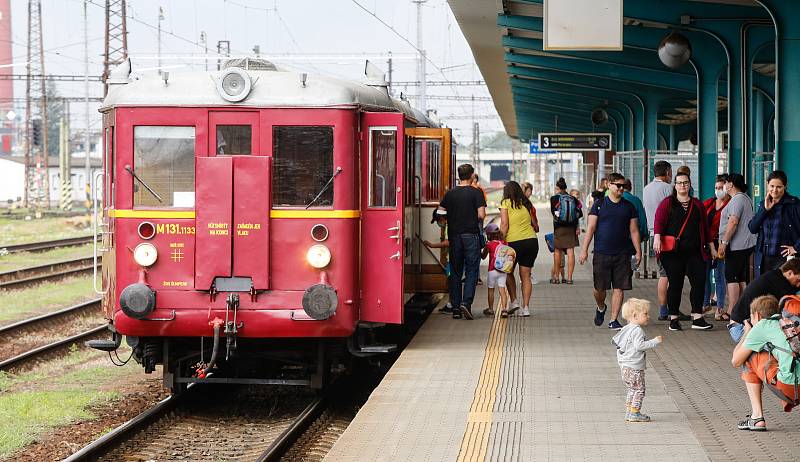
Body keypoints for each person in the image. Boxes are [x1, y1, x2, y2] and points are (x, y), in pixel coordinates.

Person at [579, 172, 642, 330]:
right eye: (618, 185)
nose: (621, 189)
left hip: (623, 254)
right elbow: (591, 228)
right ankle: (601, 307)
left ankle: (613, 319)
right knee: (599, 289)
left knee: (619, 287)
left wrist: (638, 251)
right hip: (601, 253)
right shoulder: (599, 204)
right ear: (609, 185)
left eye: (623, 186)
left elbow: (634, 231)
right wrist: (584, 250)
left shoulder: (629, 207)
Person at [653, 172, 713, 331]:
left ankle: (697, 317)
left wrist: (711, 246)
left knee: (699, 283)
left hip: (695, 252)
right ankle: (673, 318)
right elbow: (658, 221)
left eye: (685, 183)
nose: (682, 186)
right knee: (675, 284)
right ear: (674, 185)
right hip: (673, 253)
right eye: (679, 183)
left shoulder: (697, 204)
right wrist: (657, 238)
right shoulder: (667, 203)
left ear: (690, 184)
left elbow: (705, 228)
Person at [731, 295, 800, 430]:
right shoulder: (788, 322)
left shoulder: (761, 326)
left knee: (749, 357)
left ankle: (757, 418)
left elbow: (736, 361)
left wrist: (747, 333)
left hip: (791, 387)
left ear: (756, 315)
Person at [439, 163, 486, 320]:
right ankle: (466, 303)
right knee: (472, 270)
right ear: (472, 175)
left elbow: (441, 212)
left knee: (456, 272)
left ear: (459, 176)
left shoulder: (450, 193)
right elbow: (482, 215)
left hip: (454, 237)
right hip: (471, 236)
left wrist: (450, 219)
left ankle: (456, 308)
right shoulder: (476, 193)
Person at [612, 298, 663, 422]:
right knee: (640, 389)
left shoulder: (627, 328)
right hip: (634, 367)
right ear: (635, 316)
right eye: (645, 314)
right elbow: (639, 346)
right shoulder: (637, 330)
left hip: (625, 367)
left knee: (632, 389)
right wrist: (654, 341)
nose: (648, 316)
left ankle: (629, 411)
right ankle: (635, 412)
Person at [727, 258, 800, 342]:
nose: (798, 285)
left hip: (740, 325)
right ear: (790, 273)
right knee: (784, 342)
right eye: (798, 280)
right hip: (741, 328)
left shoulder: (775, 276)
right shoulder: (780, 283)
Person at [643, 160, 681, 322]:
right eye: (671, 172)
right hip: (668, 236)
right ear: (667, 172)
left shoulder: (646, 189)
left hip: (653, 234)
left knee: (663, 272)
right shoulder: (668, 189)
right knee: (669, 274)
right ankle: (668, 309)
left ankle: (664, 308)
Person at [718, 173, 757, 322]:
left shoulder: (737, 200)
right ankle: (742, 309)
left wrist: (724, 243)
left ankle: (732, 310)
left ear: (731, 184)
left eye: (725, 183)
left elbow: (733, 221)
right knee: (741, 278)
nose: (724, 186)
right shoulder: (745, 198)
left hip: (736, 245)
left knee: (731, 277)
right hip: (744, 245)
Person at [748, 170, 800, 274]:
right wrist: (764, 210)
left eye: (779, 187)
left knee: (782, 289)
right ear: (767, 185)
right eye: (772, 186)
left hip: (784, 259)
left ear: (785, 186)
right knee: (765, 289)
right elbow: (752, 228)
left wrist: (796, 248)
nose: (774, 190)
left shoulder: (794, 205)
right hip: (764, 258)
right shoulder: (763, 204)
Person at [499, 181, 538, 317]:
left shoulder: (505, 203)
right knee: (525, 276)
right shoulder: (527, 203)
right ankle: (526, 308)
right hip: (531, 241)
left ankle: (514, 301)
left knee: (508, 272)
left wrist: (500, 241)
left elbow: (504, 224)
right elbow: (535, 224)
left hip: (513, 243)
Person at [703, 174, 731, 320]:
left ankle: (720, 308)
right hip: (707, 244)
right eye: (716, 187)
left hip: (722, 244)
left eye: (721, 187)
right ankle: (705, 303)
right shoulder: (709, 203)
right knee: (705, 275)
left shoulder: (731, 204)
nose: (718, 190)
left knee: (720, 276)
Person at [550, 177, 582, 284]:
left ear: (557, 188)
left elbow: (553, 213)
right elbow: (580, 213)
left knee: (558, 252)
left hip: (559, 228)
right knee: (571, 252)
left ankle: (556, 277)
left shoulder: (554, 198)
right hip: (571, 228)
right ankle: (569, 278)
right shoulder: (572, 198)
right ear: (566, 187)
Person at [423, 208, 453, 314]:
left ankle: (452, 305)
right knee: (452, 280)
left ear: (441, 218)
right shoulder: (451, 223)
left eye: (437, 221)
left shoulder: (449, 226)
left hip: (453, 259)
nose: (438, 224)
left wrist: (432, 245)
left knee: (451, 280)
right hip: (453, 257)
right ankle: (452, 304)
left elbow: (447, 242)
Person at [481, 223, 510, 317]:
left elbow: (483, 256)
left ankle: (490, 309)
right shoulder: (505, 243)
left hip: (492, 270)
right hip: (503, 270)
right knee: (502, 289)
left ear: (489, 235)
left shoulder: (489, 244)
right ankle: (504, 309)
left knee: (491, 290)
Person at [622, 179, 649, 259]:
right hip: (632, 236)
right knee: (631, 260)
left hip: (618, 237)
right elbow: (642, 219)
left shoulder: (616, 199)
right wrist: (644, 234)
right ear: (631, 187)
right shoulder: (636, 200)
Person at [522, 181, 540, 285]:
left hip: (520, 233)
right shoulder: (527, 203)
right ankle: (526, 276)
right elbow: (532, 218)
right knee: (528, 256)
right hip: (529, 232)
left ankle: (525, 275)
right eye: (530, 190)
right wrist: (536, 226)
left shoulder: (517, 202)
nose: (531, 193)